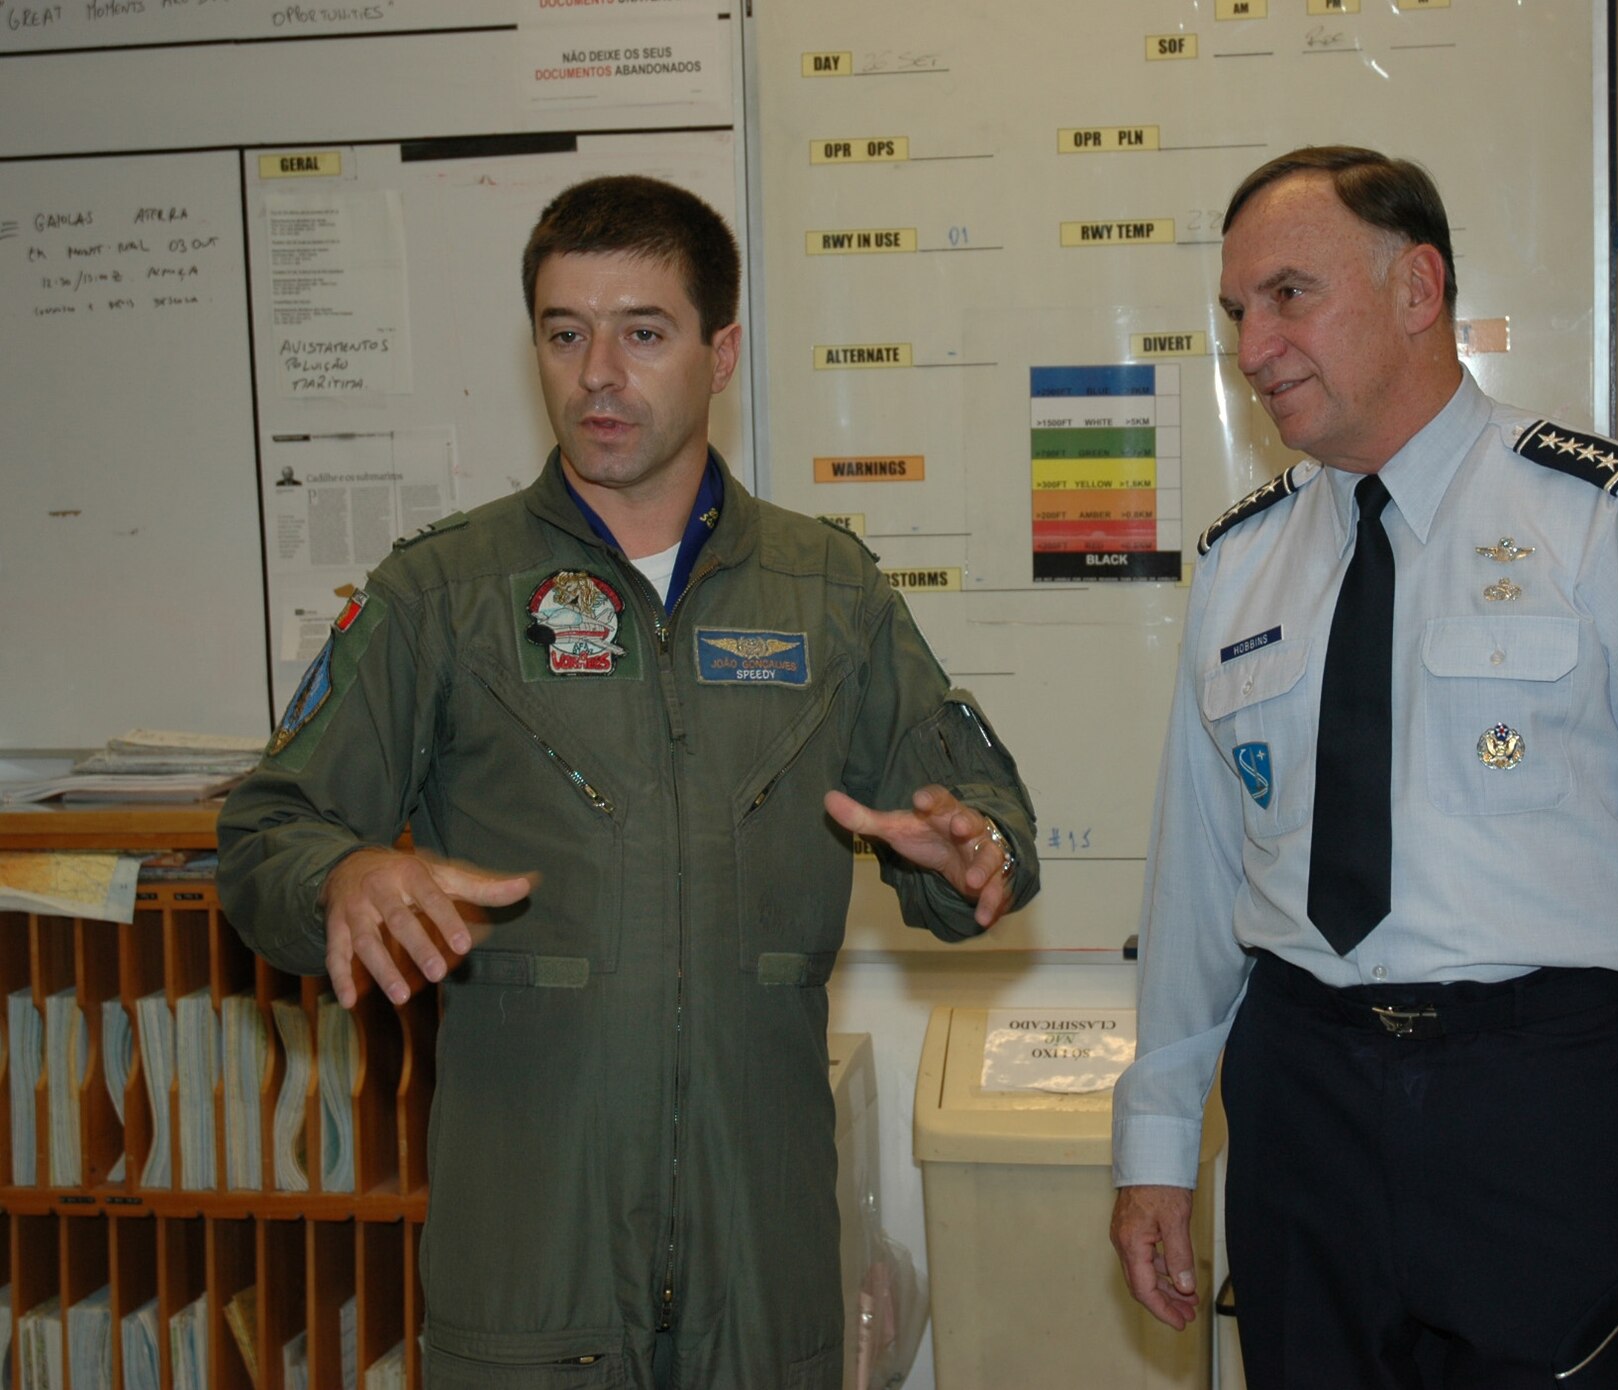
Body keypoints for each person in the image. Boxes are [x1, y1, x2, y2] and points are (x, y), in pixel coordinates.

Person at [219, 174, 1039, 1390]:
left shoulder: (829, 596)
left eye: (641, 332)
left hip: (760, 1285)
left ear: (720, 353)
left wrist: (974, 854)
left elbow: (990, 827)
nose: (597, 371)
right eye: (565, 333)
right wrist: (339, 870)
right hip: (528, 1272)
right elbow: (260, 829)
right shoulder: (440, 597)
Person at [1107, 146, 1618, 1387]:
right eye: (1235, 312)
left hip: (1544, 1100)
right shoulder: (1241, 563)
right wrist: (1158, 1143)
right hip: (1301, 1102)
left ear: (1416, 287)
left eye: (1288, 295)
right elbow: (1193, 885)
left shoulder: (1607, 518)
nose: (1254, 345)